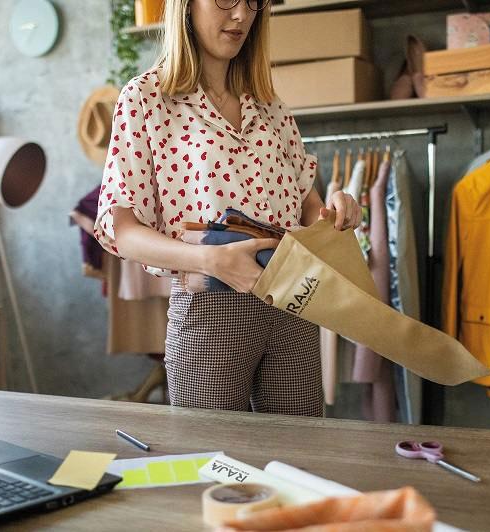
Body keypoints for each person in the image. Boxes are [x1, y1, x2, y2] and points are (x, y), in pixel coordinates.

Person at [94, 0, 360, 416]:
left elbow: (306, 204)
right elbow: (122, 230)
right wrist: (211, 260)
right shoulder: (146, 99)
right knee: (213, 463)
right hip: (211, 307)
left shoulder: (272, 107)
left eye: (253, 2)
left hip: (294, 298)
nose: (241, 15)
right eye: (225, 0)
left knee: (300, 460)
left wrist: (336, 212)